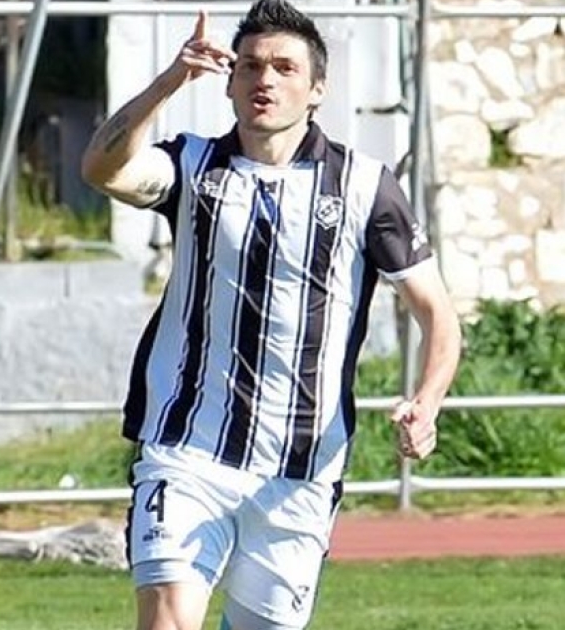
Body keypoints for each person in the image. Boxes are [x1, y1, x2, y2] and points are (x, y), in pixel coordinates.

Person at [80, 1, 462, 629]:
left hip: (299, 467)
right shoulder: (192, 167)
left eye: (286, 68)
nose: (265, 80)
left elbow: (439, 317)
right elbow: (102, 168)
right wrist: (171, 80)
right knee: (167, 618)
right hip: (186, 448)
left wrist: (428, 401)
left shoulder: (365, 187)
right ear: (230, 82)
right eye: (251, 66)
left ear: (317, 89)